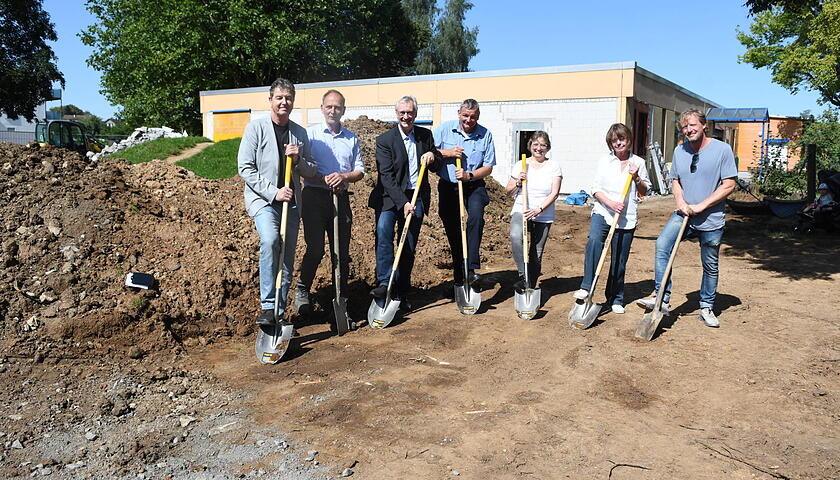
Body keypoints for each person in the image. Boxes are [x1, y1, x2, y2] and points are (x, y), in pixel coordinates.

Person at [636, 108, 737, 328]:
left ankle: (706, 306)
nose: (688, 130)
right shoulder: (680, 151)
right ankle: (661, 297)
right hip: (684, 214)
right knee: (663, 244)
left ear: (703, 125)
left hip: (711, 219)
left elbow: (729, 184)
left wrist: (702, 205)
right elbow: (675, 181)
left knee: (710, 264)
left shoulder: (722, 150)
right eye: (684, 126)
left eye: (692, 125)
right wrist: (681, 203)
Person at [237, 78, 318, 326]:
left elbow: (311, 170)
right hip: (264, 200)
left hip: (292, 204)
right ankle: (268, 306)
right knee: (271, 240)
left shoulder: (299, 133)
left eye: (289, 98)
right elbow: (245, 168)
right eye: (280, 97)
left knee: (286, 256)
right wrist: (273, 192)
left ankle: (279, 316)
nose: (284, 102)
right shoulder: (256, 128)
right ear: (270, 100)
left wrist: (298, 159)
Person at [294, 89, 365, 315]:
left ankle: (341, 298)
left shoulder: (351, 138)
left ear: (343, 110)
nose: (333, 111)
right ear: (322, 108)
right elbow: (301, 167)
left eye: (338, 107)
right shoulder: (311, 135)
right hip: (314, 197)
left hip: (340, 198)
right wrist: (323, 178)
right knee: (315, 249)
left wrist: (343, 177)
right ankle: (302, 290)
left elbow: (360, 171)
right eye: (329, 106)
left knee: (341, 253)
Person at [368, 96, 441, 311]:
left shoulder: (424, 136)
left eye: (409, 112)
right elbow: (387, 176)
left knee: (408, 244)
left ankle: (400, 291)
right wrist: (404, 203)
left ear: (415, 114)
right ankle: (384, 284)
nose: (406, 116)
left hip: (416, 194)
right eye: (402, 112)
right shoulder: (385, 140)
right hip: (389, 197)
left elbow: (436, 164)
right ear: (396, 114)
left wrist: (432, 155)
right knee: (383, 232)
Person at [572, 123, 650, 314]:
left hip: (626, 216)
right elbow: (595, 189)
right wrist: (611, 204)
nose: (618, 143)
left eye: (621, 139)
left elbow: (645, 190)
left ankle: (615, 297)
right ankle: (586, 286)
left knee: (619, 259)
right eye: (614, 140)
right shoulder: (604, 161)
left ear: (628, 140)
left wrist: (637, 178)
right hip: (603, 211)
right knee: (594, 242)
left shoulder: (638, 162)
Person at [434, 99, 496, 288]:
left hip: (473, 184)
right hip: (448, 185)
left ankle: (470, 269)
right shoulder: (444, 129)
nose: (469, 120)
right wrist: (448, 152)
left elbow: (488, 167)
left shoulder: (485, 134)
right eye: (466, 116)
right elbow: (429, 151)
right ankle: (460, 279)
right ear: (458, 113)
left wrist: (469, 175)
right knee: (453, 231)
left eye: (473, 117)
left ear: (478, 116)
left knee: (475, 217)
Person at [505, 131, 562, 291]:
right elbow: (508, 191)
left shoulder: (554, 166)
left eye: (543, 145)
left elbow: (555, 193)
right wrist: (517, 183)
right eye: (535, 144)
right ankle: (524, 277)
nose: (539, 148)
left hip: (543, 212)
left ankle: (530, 285)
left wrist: (539, 209)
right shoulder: (521, 165)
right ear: (530, 145)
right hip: (521, 209)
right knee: (516, 237)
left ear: (548, 147)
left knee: (536, 252)